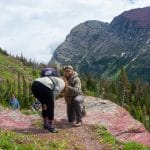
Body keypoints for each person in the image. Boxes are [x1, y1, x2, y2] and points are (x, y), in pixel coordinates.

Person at [31, 67, 65, 133]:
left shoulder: (51, 78)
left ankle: (45, 124)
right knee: (50, 106)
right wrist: (52, 100)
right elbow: (55, 91)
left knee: (44, 105)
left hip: (34, 84)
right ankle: (51, 127)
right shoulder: (62, 83)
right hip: (45, 86)